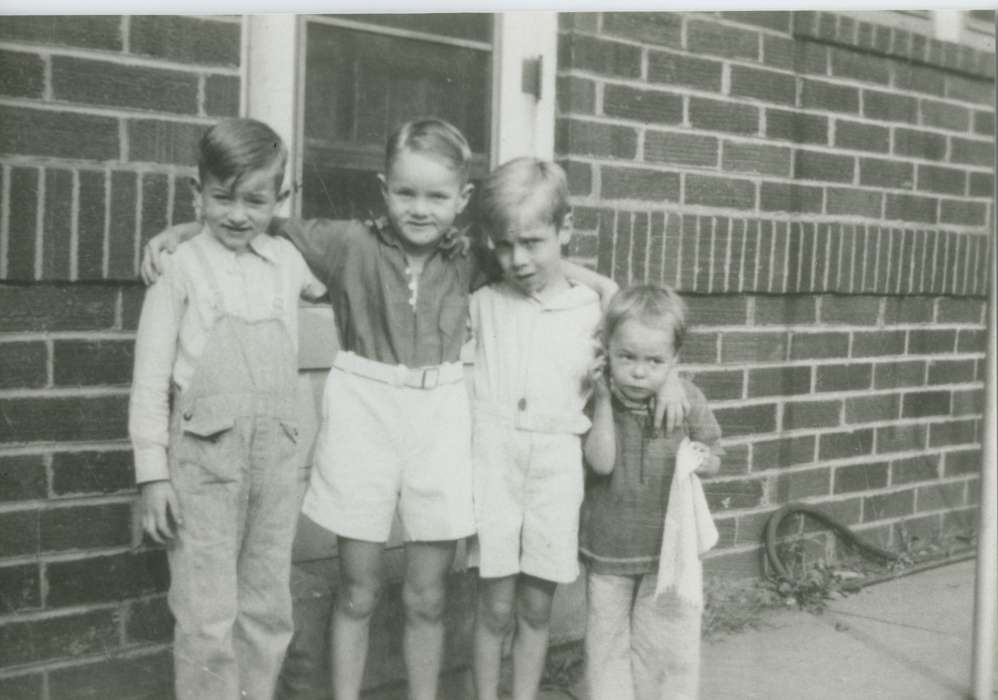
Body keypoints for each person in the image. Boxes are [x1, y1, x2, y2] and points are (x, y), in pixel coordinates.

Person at [139, 119, 619, 700]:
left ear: (463, 201)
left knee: (427, 594)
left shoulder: (473, 258)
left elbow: (543, 261)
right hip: (362, 413)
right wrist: (185, 229)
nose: (420, 209)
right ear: (383, 189)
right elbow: (257, 220)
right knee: (357, 589)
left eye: (438, 196)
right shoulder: (347, 244)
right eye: (405, 192)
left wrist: (607, 290)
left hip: (440, 417)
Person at [467, 159, 688, 700]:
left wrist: (673, 379)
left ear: (565, 230)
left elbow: (645, 333)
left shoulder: (591, 308)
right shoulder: (483, 302)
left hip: (555, 469)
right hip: (493, 465)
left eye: (533, 243)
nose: (517, 260)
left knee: (536, 606)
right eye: (503, 245)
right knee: (494, 605)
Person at [129, 117, 327, 699]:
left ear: (279, 200)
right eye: (221, 198)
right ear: (198, 194)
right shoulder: (180, 268)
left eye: (255, 200)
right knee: (206, 613)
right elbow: (148, 380)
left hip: (274, 466)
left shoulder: (289, 263)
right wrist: (152, 474)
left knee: (267, 608)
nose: (238, 214)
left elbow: (343, 270)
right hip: (203, 467)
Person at [580, 284, 724, 700]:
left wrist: (697, 459)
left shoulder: (688, 399)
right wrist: (604, 399)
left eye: (654, 361)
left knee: (665, 642)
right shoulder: (597, 399)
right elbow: (601, 462)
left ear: (674, 361)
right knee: (606, 645)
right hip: (608, 548)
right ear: (607, 351)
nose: (639, 371)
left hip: (666, 553)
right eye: (627, 357)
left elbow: (715, 455)